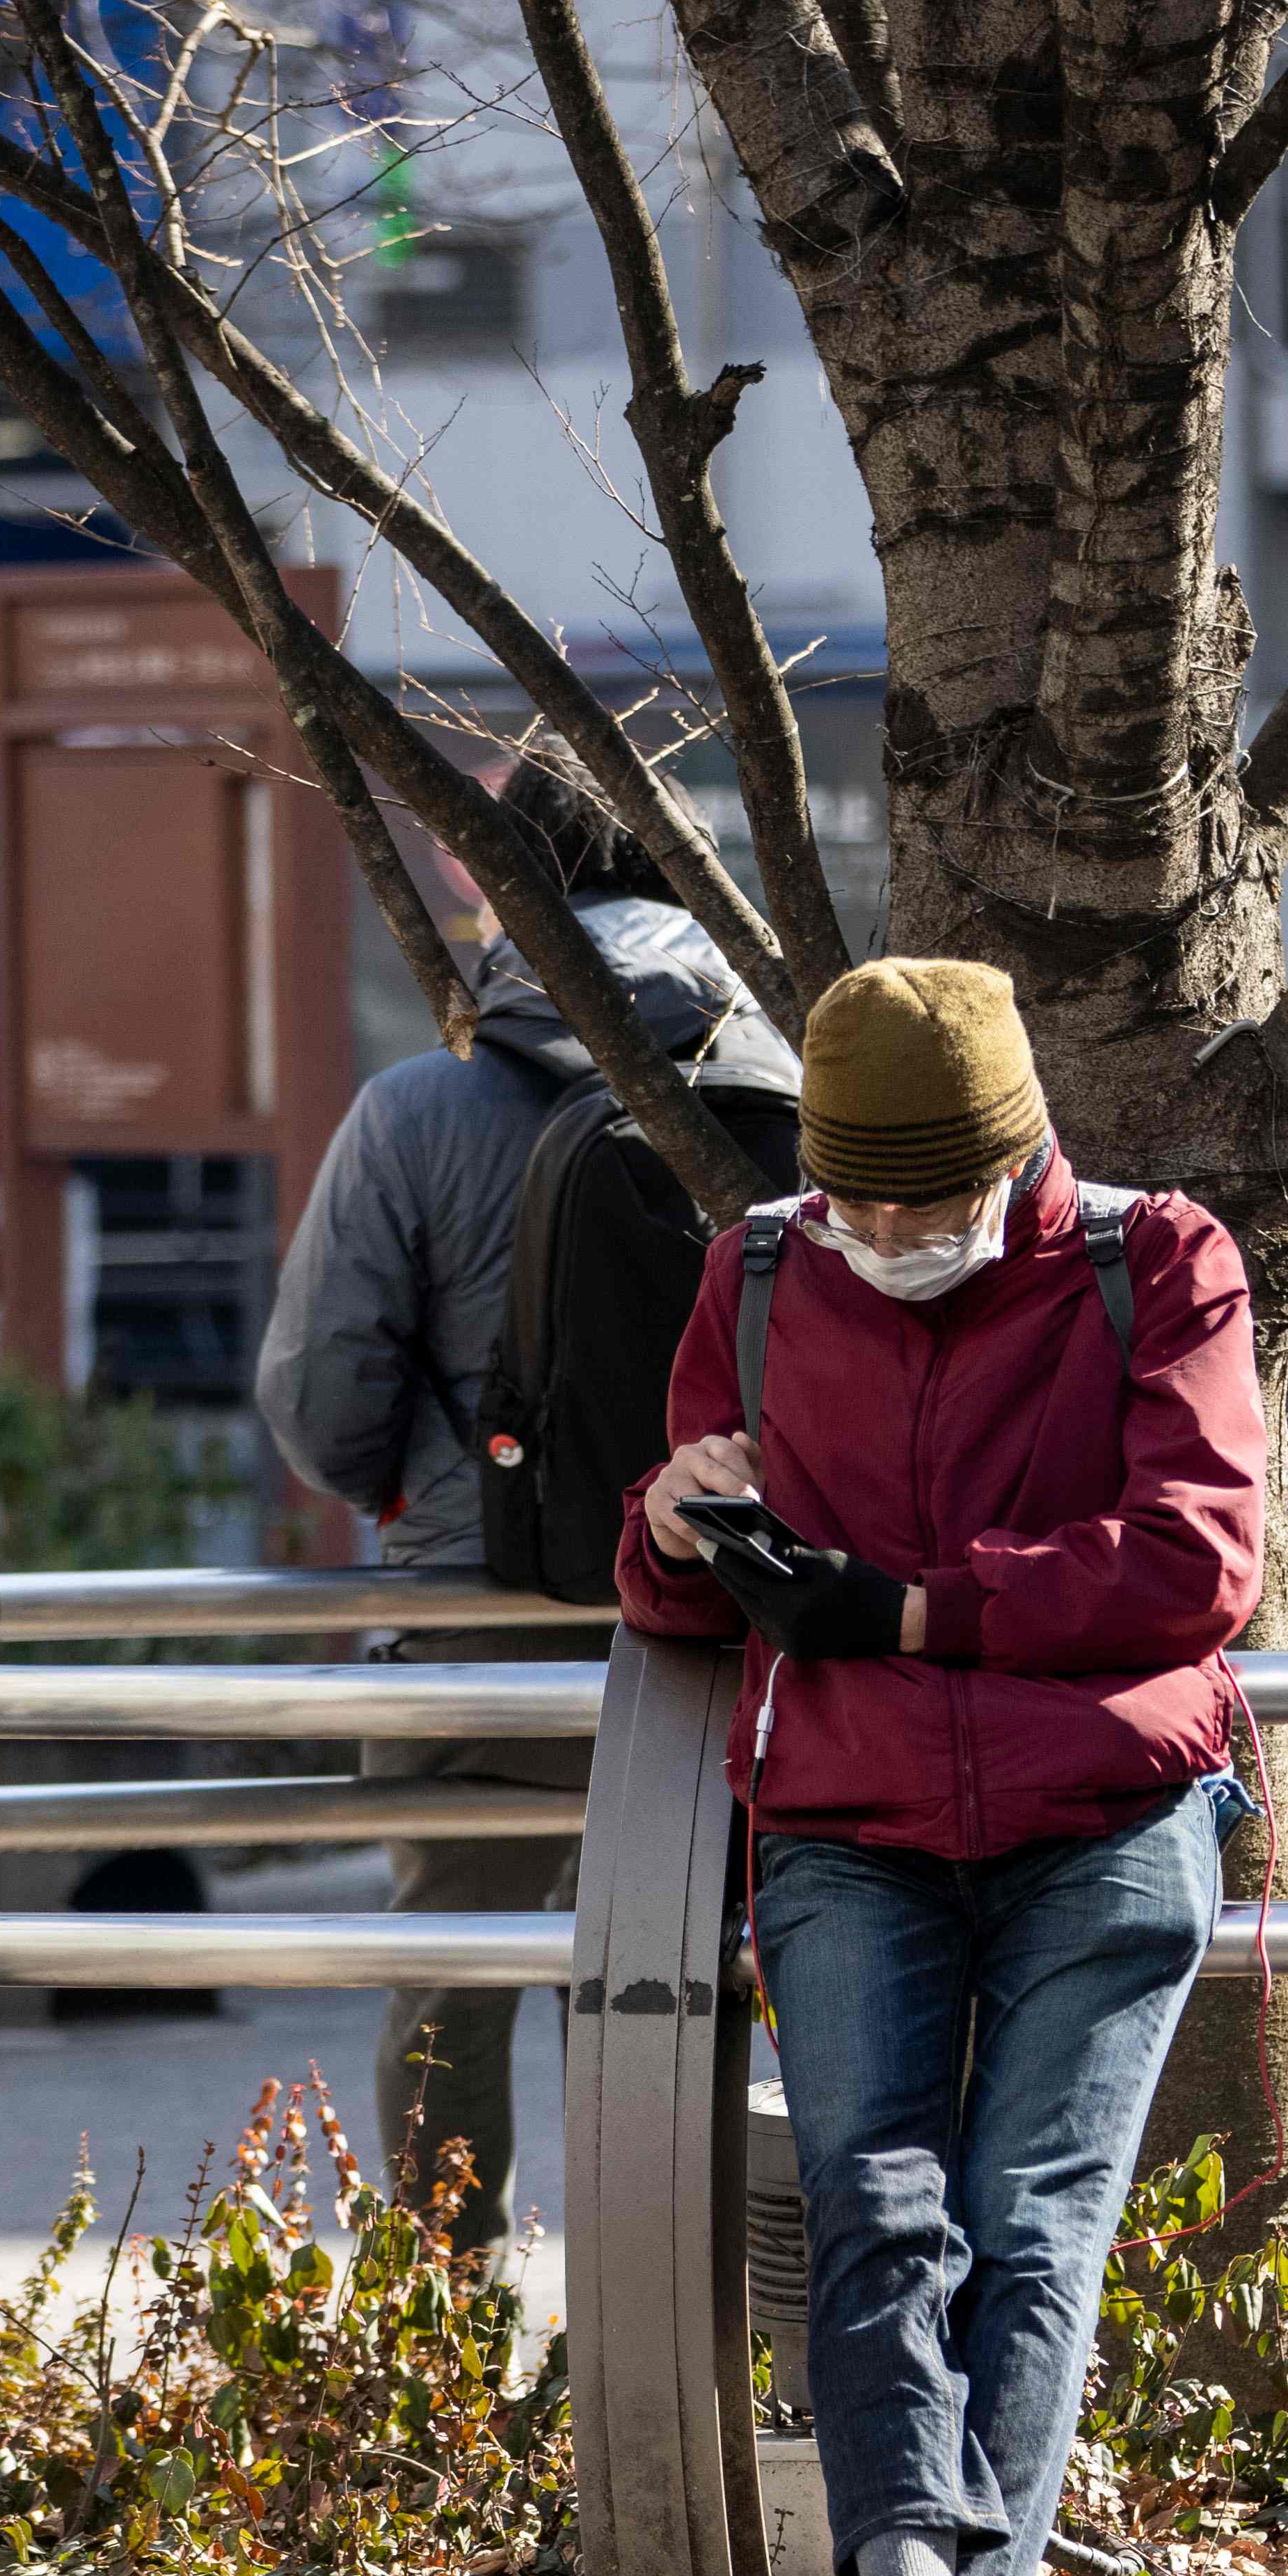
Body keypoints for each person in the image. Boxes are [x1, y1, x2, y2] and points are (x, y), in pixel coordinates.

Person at [619, 957, 1262, 2576]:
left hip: (1108, 1812)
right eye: (860, 1201)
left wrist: (908, 1606)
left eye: (931, 1202)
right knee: (874, 2211)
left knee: (1027, 2219)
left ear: (1018, 1152)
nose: (891, 1236)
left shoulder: (1161, 1260)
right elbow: (667, 1575)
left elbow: (1193, 1562)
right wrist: (674, 1530)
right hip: (850, 1822)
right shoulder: (756, 1271)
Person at [257, 748, 789, 2238]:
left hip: (479, 1604)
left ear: (493, 889)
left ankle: (449, 2328)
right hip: (723, 1612)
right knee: (700, 1956)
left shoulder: (421, 1110)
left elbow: (320, 1400)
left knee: (453, 1965)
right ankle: (684, 2309)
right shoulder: (776, 1086)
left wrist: (415, 1497)